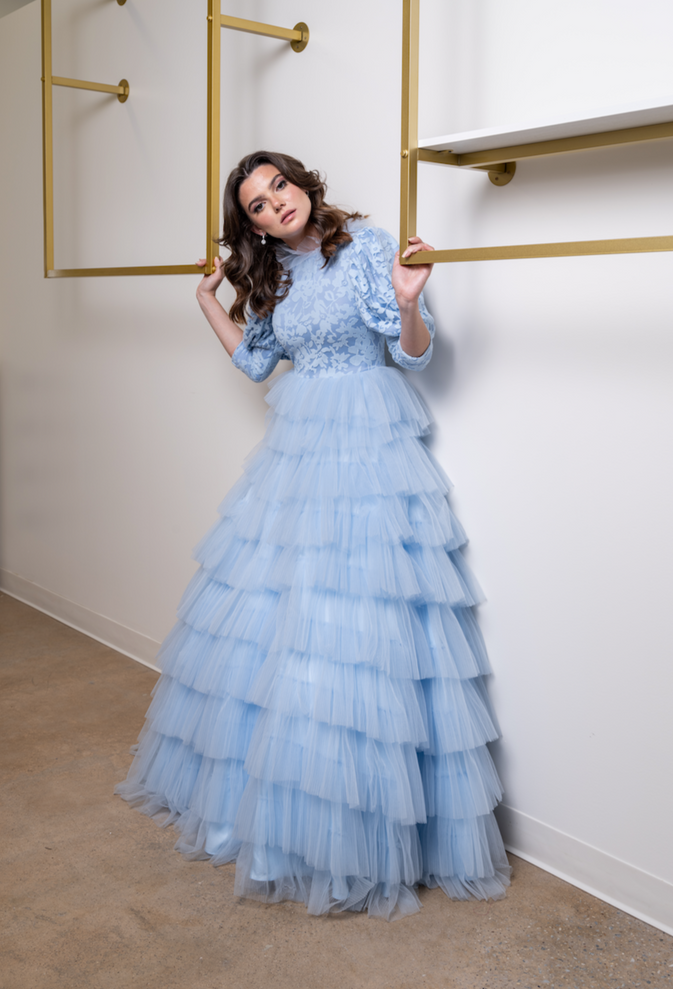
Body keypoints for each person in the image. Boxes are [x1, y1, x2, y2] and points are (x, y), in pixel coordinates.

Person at [115, 151, 510, 920]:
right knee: (280, 616)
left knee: (361, 620)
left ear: (303, 186)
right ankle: (287, 806)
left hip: (367, 442)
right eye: (257, 206)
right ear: (252, 225)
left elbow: (413, 356)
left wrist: (407, 303)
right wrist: (208, 302)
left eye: (278, 189)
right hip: (297, 451)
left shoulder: (364, 247)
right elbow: (259, 363)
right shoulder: (271, 277)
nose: (273, 206)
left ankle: (359, 819)